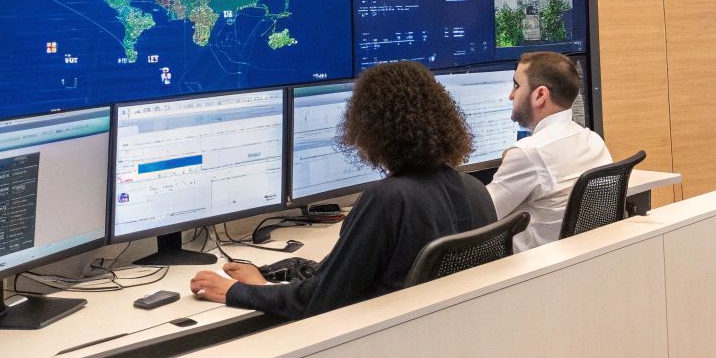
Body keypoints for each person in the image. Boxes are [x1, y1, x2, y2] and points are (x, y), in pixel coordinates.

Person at [188, 61, 495, 318]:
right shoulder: (475, 190)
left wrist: (240, 291)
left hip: (383, 352)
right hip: (440, 346)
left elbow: (322, 300)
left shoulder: (389, 200)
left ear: (370, 128)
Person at [486, 51, 613, 250]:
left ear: (540, 95)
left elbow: (481, 214)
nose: (511, 95)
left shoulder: (529, 153)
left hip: (526, 271)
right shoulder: (593, 140)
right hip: (578, 264)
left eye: (517, 86)